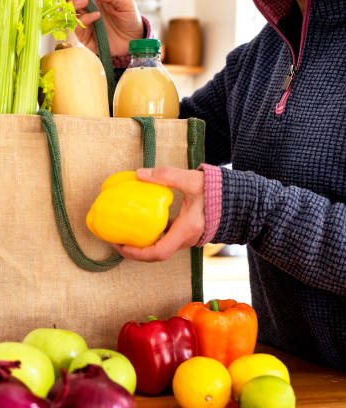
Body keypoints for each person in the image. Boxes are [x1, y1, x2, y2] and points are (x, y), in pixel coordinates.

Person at [72, 0, 346, 371]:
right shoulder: (259, 58)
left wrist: (243, 208)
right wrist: (128, 57)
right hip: (277, 370)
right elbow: (165, 147)